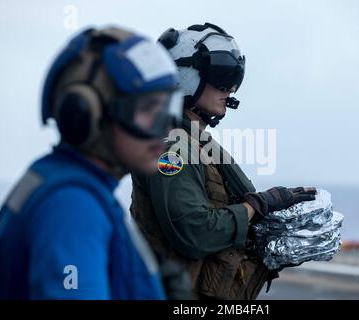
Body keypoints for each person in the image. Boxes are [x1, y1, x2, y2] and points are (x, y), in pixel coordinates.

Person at [130, 22, 317, 300]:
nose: (230, 87)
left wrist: (275, 215)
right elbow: (196, 232)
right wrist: (256, 205)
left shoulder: (197, 144)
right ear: (185, 76)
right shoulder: (172, 147)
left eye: (234, 77)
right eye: (221, 75)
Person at [0, 26, 184, 299]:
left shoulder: (64, 181)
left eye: (166, 109)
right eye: (147, 109)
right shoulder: (72, 206)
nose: (165, 128)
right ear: (85, 113)